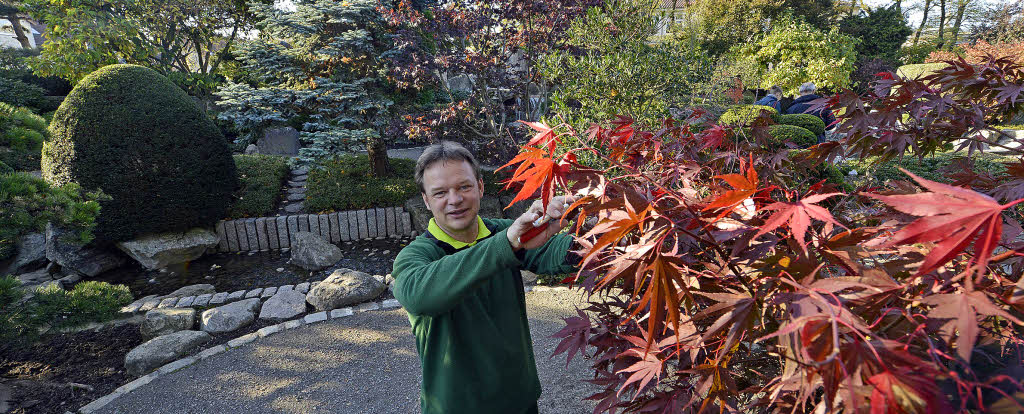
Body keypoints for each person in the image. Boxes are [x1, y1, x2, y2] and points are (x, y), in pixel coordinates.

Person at [392, 141, 579, 414]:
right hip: (456, 407)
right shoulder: (416, 257)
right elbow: (419, 296)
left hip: (519, 400)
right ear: (426, 200)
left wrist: (605, 230)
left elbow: (554, 253)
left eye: (464, 187)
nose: (454, 200)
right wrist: (506, 244)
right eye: (441, 192)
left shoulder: (506, 234)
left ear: (480, 187)